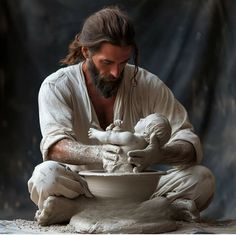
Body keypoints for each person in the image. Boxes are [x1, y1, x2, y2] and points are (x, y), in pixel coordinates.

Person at [28, 6, 215, 226]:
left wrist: (157, 153)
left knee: (202, 179)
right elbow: (55, 146)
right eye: (107, 63)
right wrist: (100, 154)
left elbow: (189, 144)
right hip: (83, 188)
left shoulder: (146, 84)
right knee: (44, 177)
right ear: (86, 52)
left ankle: (79, 211)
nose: (117, 73)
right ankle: (163, 211)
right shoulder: (57, 86)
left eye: (123, 62)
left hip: (137, 190)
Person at [88, 113, 172, 173]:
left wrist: (96, 133)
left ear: (145, 133)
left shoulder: (129, 137)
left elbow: (108, 137)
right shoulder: (145, 147)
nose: (141, 119)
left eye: (144, 120)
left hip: (116, 169)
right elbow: (118, 138)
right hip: (128, 172)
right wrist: (116, 128)